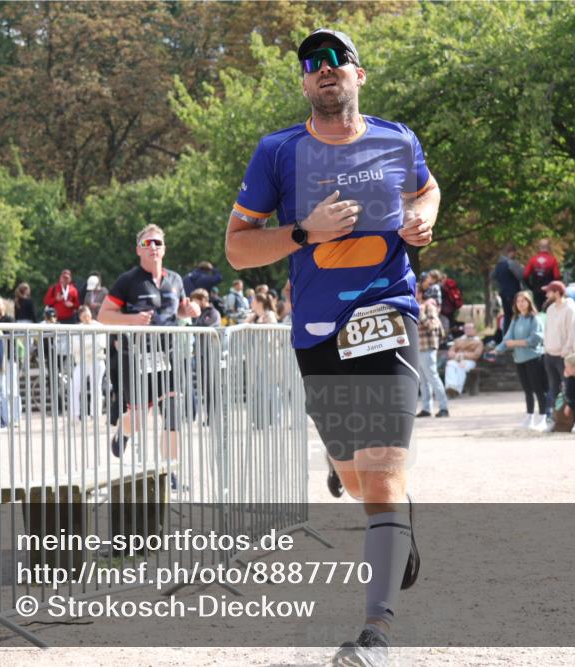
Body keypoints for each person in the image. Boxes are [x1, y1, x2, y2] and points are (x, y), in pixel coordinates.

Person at [224, 27, 437, 665]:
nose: (325, 68)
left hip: (388, 316)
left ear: (359, 74)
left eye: (337, 59)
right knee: (354, 475)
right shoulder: (278, 152)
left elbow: (424, 188)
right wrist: (302, 231)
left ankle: (377, 633)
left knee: (382, 469)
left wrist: (426, 216)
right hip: (318, 334)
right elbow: (238, 249)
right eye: (312, 63)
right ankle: (393, 518)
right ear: (304, 81)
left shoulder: (397, 139)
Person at [98, 225, 194, 463]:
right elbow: (103, 315)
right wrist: (132, 320)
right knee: (139, 418)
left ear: (164, 250)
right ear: (138, 250)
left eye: (157, 243)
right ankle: (124, 432)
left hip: (169, 355)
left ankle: (169, 471)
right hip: (138, 357)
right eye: (147, 243)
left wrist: (191, 310)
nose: (153, 247)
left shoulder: (175, 279)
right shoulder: (128, 281)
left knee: (173, 417)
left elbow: (180, 310)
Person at [494, 290, 548, 430]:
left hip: (534, 358)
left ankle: (543, 418)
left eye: (523, 300)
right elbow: (507, 339)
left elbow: (536, 339)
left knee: (538, 389)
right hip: (519, 359)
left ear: (529, 302)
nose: (520, 303)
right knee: (527, 390)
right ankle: (529, 417)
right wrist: (497, 349)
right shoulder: (515, 319)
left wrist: (516, 343)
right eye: (518, 301)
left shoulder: (534, 318)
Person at [541, 280, 575, 423]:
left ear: (557, 293)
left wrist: (566, 351)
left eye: (549, 291)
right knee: (553, 388)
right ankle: (554, 419)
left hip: (565, 356)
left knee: (570, 387)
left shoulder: (570, 309)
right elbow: (547, 330)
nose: (546, 294)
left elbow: (574, 332)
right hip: (550, 354)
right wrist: (546, 348)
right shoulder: (550, 309)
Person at [416, 285, 449, 418]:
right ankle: (426, 408)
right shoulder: (416, 306)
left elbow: (433, 326)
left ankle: (444, 408)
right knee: (423, 380)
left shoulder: (429, 307)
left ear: (420, 293)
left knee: (433, 377)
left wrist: (421, 314)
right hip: (417, 347)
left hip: (427, 347)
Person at [70, 305, 107, 420]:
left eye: (87, 314)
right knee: (74, 386)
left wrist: (85, 346)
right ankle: (75, 414)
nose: (86, 317)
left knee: (96, 387)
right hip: (82, 361)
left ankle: (95, 414)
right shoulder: (77, 328)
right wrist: (89, 345)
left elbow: (100, 344)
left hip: (97, 359)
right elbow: (74, 346)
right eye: (83, 316)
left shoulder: (99, 326)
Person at [492, 244, 524, 339]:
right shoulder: (511, 264)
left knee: (507, 317)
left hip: (503, 292)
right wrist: (522, 268)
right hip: (513, 293)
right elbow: (521, 276)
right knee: (517, 316)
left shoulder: (498, 265)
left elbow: (492, 276)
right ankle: (517, 337)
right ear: (511, 252)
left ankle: (506, 338)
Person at [444, 322, 483, 397]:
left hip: (470, 361)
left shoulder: (478, 342)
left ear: (474, 330)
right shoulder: (458, 340)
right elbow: (451, 352)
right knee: (450, 364)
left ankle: (457, 390)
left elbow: (476, 355)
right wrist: (456, 356)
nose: (467, 330)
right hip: (456, 359)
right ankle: (451, 387)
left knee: (461, 366)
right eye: (466, 328)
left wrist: (462, 355)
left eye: (470, 328)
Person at [524, 239, 561, 311]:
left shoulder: (532, 260)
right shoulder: (552, 260)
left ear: (539, 247)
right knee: (550, 310)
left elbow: (525, 275)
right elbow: (557, 276)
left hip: (536, 290)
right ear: (549, 247)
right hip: (549, 290)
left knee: (538, 309)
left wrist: (530, 286)